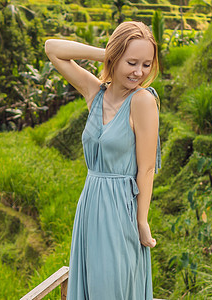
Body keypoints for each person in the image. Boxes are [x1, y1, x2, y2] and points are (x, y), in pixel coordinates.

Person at [44, 21, 162, 299]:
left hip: (121, 208)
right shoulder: (95, 93)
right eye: (131, 62)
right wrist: (106, 53)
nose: (139, 72)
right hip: (90, 204)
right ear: (116, 56)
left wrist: (141, 221)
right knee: (91, 285)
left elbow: (145, 168)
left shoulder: (143, 101)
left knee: (112, 285)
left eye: (146, 64)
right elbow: (53, 49)